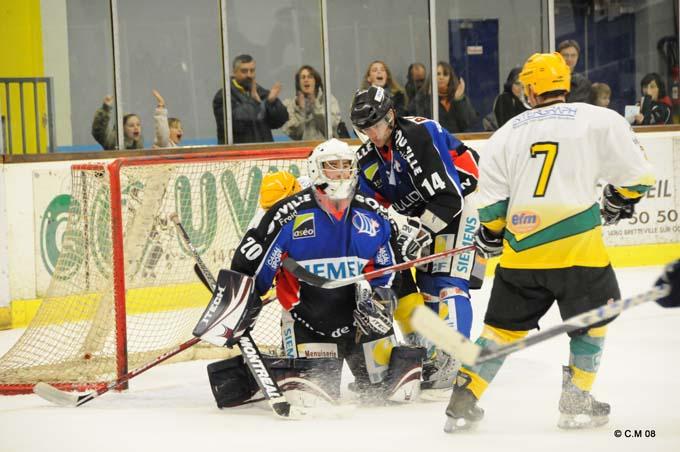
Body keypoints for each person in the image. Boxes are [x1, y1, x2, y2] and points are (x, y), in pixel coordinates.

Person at [444, 52, 656, 432]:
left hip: (522, 255)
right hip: (579, 252)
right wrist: (618, 197)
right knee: (591, 323)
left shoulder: (505, 133)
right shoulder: (597, 119)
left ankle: (462, 401)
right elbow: (639, 175)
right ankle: (575, 402)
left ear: (529, 90)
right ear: (566, 83)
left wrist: (492, 234)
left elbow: (490, 206)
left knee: (500, 330)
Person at [210, 139, 425, 407]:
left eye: (346, 166)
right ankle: (265, 372)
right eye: (332, 165)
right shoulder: (288, 214)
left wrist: (382, 302)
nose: (341, 172)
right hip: (308, 325)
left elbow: (391, 270)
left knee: (397, 393)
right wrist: (238, 306)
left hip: (362, 326)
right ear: (315, 169)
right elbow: (250, 266)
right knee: (312, 400)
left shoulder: (372, 214)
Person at [350, 85, 480, 392]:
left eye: (377, 125)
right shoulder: (367, 158)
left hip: (458, 209)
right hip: (424, 216)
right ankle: (435, 355)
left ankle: (456, 358)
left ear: (391, 116)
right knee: (429, 290)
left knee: (449, 283)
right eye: (366, 128)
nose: (373, 134)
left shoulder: (418, 134)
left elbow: (449, 197)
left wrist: (420, 231)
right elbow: (369, 207)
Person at [212, 54, 288, 144]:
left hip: (263, 150)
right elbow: (235, 125)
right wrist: (254, 102)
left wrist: (271, 103)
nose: (249, 75)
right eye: (244, 71)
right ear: (234, 72)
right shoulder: (223, 96)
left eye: (252, 71)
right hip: (239, 152)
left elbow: (280, 121)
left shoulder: (260, 92)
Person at [409, 62, 478, 133]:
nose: (441, 77)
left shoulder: (458, 96)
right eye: (438, 74)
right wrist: (429, 98)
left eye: (445, 74)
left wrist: (459, 100)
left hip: (456, 138)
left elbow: (469, 123)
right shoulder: (421, 97)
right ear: (432, 76)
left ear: (450, 78)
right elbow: (420, 123)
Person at [282, 65, 341, 141]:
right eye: (303, 77)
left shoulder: (329, 100)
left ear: (316, 81)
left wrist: (315, 106)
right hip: (305, 147)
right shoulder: (292, 105)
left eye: (309, 77)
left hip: (327, 146)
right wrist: (301, 110)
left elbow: (331, 128)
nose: (306, 80)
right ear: (298, 83)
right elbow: (295, 135)